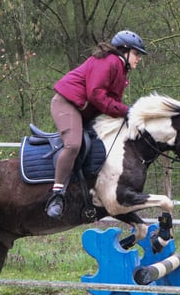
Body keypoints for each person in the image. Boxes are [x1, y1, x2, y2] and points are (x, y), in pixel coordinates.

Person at [45, 30, 148, 219]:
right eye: (136, 54)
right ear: (124, 51)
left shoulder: (120, 70)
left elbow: (112, 103)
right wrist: (126, 111)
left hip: (85, 110)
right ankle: (56, 195)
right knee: (73, 144)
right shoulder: (109, 61)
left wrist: (127, 115)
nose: (138, 59)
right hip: (66, 103)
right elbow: (96, 94)